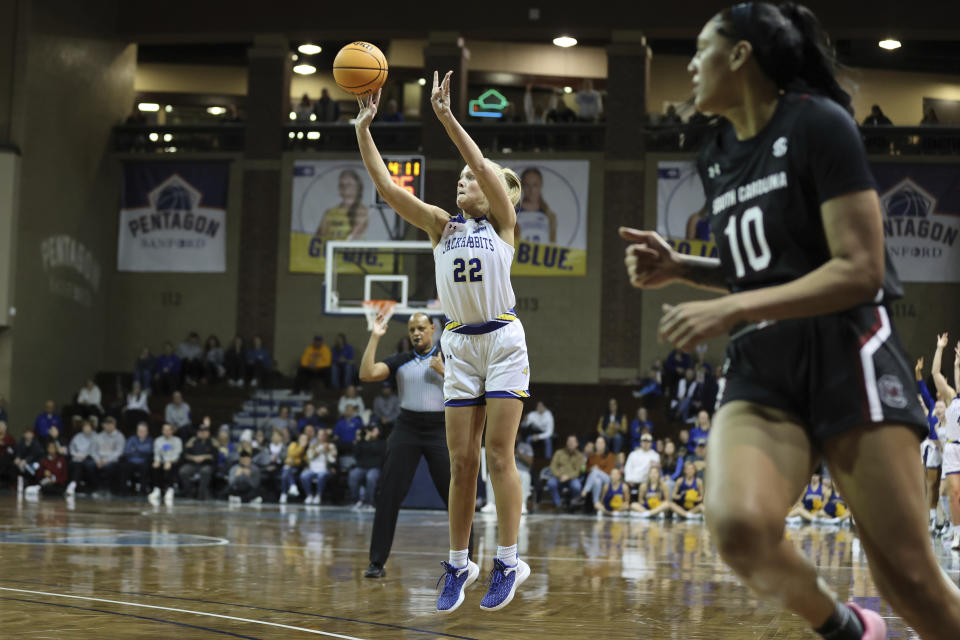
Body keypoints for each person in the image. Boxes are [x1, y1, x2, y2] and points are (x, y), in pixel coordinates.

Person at [620, 3, 960, 637]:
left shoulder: (818, 126)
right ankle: (845, 628)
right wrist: (683, 267)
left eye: (701, 49)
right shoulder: (716, 153)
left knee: (910, 580)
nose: (690, 64)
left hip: (847, 351)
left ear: (742, 55)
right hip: (764, 364)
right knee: (738, 525)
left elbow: (859, 268)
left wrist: (735, 306)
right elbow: (761, 266)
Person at [357, 72, 531, 612]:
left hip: (501, 341)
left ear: (495, 191)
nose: (463, 181)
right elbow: (387, 189)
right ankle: (460, 564)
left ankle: (508, 559)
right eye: (458, 178)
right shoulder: (441, 226)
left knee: (498, 456)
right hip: (457, 347)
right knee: (461, 463)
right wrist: (365, 130)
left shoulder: (504, 223)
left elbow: (480, 164)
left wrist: (447, 118)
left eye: (470, 179)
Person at [358, 312, 474, 580]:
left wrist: (444, 372)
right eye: (412, 330)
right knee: (388, 495)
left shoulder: (450, 359)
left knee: (458, 496)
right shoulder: (401, 361)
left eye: (421, 328)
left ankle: (467, 563)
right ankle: (376, 562)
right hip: (406, 428)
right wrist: (375, 336)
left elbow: (470, 391)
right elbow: (366, 374)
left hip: (439, 430)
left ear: (433, 329)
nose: (416, 333)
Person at [931, 333, 960, 550]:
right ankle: (957, 532)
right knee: (954, 493)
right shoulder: (951, 396)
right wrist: (940, 348)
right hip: (952, 449)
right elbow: (934, 372)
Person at [315, 170, 368, 241]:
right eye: (342, 184)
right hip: (330, 249)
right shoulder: (329, 212)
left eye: (349, 184)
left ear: (358, 187)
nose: (345, 187)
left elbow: (354, 236)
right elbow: (319, 236)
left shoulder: (361, 211)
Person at [515, 168, 558, 245]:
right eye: (527, 185)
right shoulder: (513, 214)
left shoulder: (550, 216)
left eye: (535, 185)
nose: (531, 190)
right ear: (522, 186)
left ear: (541, 185)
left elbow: (552, 245)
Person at [349, 426, 386, 509]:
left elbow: (376, 450)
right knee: (353, 475)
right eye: (370, 430)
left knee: (371, 477)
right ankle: (356, 500)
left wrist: (367, 442)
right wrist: (360, 441)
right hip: (362, 467)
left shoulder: (382, 442)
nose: (371, 432)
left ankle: (369, 501)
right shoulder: (362, 442)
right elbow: (356, 454)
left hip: (375, 467)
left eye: (373, 430)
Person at [178, 423, 217, 500]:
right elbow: (184, 455)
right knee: (183, 471)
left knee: (205, 471)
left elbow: (215, 456)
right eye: (201, 431)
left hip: (206, 464)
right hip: (192, 464)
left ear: (208, 433)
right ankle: (190, 491)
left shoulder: (212, 442)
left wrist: (204, 457)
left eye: (205, 431)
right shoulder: (192, 441)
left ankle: (201, 493)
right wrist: (193, 458)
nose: (203, 433)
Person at [546, 435, 585, 509]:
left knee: (577, 486)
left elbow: (578, 471)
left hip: (572, 478)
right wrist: (559, 475)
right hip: (558, 477)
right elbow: (553, 466)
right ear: (566, 442)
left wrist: (568, 477)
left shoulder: (580, 456)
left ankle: (572, 505)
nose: (570, 443)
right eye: (569, 441)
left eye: (573, 442)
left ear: (577, 444)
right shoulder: (559, 453)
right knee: (551, 483)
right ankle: (558, 504)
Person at [579, 436, 616, 509]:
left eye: (601, 442)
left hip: (607, 479)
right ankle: (596, 503)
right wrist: (593, 469)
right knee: (597, 481)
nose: (599, 444)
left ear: (605, 444)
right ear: (595, 444)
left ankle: (584, 492)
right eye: (598, 442)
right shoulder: (591, 456)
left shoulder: (610, 455)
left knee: (595, 471)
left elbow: (609, 471)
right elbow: (587, 470)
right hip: (595, 479)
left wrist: (598, 470)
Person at [300, 429, 337, 505]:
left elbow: (333, 460)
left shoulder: (331, 446)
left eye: (323, 435)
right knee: (304, 475)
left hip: (325, 469)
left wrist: (328, 451)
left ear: (326, 436)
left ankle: (318, 495)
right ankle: (309, 495)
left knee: (321, 475)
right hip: (312, 469)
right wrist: (320, 450)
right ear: (318, 436)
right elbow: (309, 456)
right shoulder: (312, 445)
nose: (322, 437)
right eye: (320, 435)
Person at [148, 422, 181, 506]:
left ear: (172, 431)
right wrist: (157, 460)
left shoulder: (177, 440)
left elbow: (177, 453)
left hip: (173, 461)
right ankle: (157, 489)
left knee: (170, 468)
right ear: (162, 431)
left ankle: (170, 489)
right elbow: (156, 452)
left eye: (168, 430)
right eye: (164, 430)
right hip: (162, 461)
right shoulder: (158, 440)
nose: (166, 431)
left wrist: (169, 461)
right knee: (155, 466)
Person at [93, 417, 125, 493]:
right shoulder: (99, 436)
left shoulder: (119, 436)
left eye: (110, 424)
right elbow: (94, 451)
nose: (108, 426)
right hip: (99, 460)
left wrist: (106, 461)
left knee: (109, 467)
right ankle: (97, 487)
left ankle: (106, 488)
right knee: (89, 465)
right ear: (103, 425)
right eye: (106, 424)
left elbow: (119, 452)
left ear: (114, 425)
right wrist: (97, 460)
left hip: (112, 460)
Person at [120, 422, 153, 495]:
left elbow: (149, 450)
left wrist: (135, 448)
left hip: (143, 461)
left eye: (143, 431)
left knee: (146, 468)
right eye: (139, 431)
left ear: (147, 432)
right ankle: (124, 491)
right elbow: (127, 451)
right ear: (137, 431)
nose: (141, 432)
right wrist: (141, 450)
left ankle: (143, 490)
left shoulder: (149, 440)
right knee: (123, 467)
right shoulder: (132, 439)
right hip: (131, 461)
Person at [279, 432, 308, 504]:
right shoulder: (293, 444)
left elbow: (306, 460)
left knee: (286, 472)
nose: (303, 441)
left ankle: (284, 493)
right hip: (290, 466)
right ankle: (292, 486)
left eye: (305, 439)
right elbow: (292, 454)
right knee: (287, 470)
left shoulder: (308, 448)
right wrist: (301, 448)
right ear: (299, 439)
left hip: (299, 468)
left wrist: (296, 460)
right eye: (302, 439)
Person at [13, 428, 44, 494]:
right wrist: (17, 458)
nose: (28, 435)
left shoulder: (36, 443)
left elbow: (35, 455)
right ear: (24, 434)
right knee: (16, 465)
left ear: (32, 435)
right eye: (26, 433)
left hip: (35, 462)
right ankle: (21, 485)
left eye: (30, 433)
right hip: (23, 463)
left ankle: (34, 485)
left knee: (34, 467)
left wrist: (26, 461)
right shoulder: (21, 443)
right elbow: (18, 453)